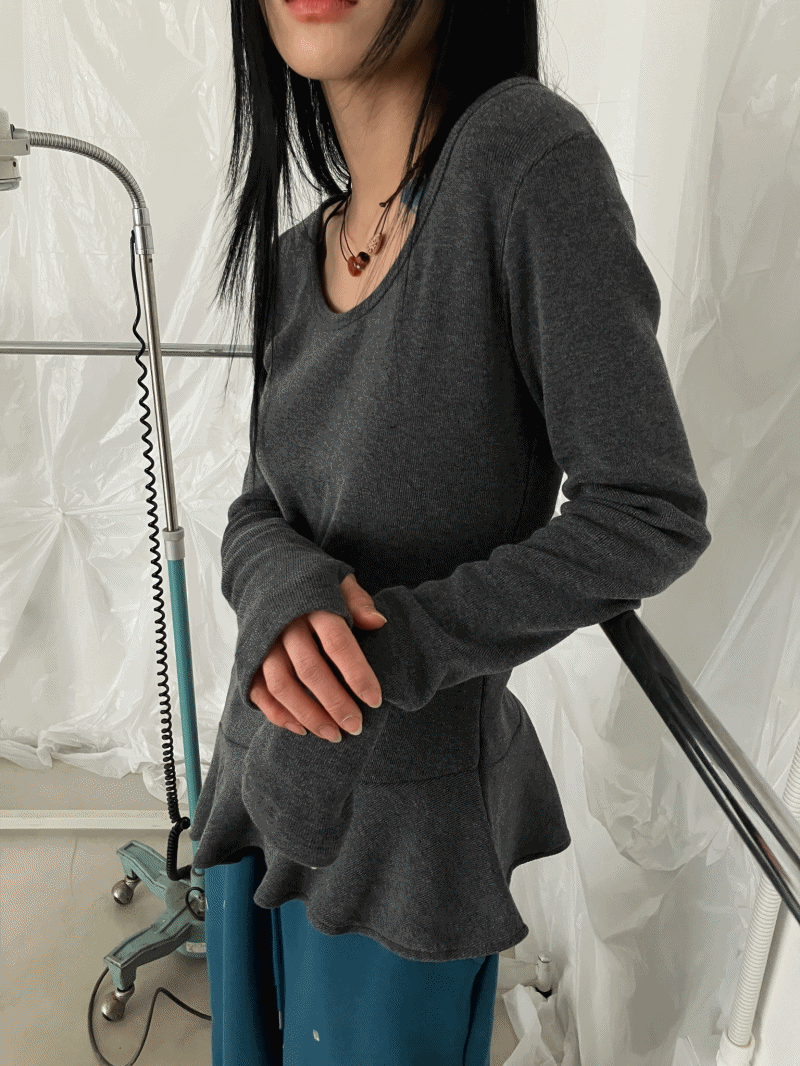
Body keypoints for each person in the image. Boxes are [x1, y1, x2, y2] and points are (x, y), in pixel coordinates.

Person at [190, 0, 713, 1062]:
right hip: (259, 777)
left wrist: (389, 650)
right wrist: (285, 589)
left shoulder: (523, 161)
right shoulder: (295, 254)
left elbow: (645, 508)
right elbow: (256, 508)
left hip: (407, 841)